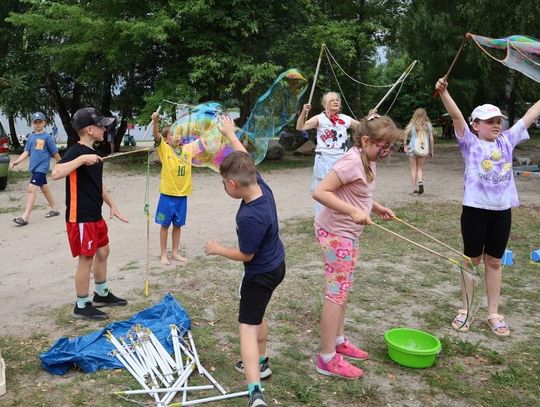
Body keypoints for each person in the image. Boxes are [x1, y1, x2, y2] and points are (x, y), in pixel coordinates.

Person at [435, 77, 540, 337]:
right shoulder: (469, 143)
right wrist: (445, 93)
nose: (496, 125)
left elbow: (529, 115)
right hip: (474, 211)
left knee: (494, 261)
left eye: (498, 121)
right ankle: (467, 310)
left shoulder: (506, 140)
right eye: (490, 121)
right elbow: (457, 117)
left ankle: (494, 313)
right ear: (476, 125)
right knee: (471, 261)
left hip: (501, 212)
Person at [204, 115, 285, 407]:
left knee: (247, 328)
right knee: (258, 311)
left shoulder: (250, 216)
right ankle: (262, 362)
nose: (225, 189)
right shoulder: (260, 184)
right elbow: (246, 158)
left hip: (260, 273)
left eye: (225, 185)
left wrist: (217, 248)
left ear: (234, 185)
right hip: (277, 266)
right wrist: (229, 133)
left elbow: (245, 255)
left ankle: (255, 392)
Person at [312, 113, 400, 379]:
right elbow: (321, 192)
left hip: (348, 234)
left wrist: (376, 207)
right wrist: (352, 211)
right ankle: (326, 358)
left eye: (389, 147)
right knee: (336, 293)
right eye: (382, 146)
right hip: (335, 233)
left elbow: (357, 192)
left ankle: (338, 342)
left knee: (344, 289)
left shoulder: (367, 160)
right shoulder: (351, 162)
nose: (385, 152)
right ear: (365, 140)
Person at [51, 107, 129, 320]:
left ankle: (101, 294)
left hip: (95, 215)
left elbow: (98, 185)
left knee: (103, 252)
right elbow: (56, 173)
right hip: (81, 217)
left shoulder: (95, 153)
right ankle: (82, 304)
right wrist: (81, 160)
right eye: (101, 125)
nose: (105, 128)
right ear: (89, 130)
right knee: (86, 259)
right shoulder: (76, 152)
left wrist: (112, 205)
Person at [151, 111, 204, 266]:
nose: (177, 137)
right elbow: (156, 135)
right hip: (167, 195)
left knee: (178, 225)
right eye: (173, 135)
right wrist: (155, 122)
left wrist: (205, 127)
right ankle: (163, 254)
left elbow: (202, 141)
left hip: (182, 196)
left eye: (179, 134)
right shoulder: (165, 150)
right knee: (164, 225)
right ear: (167, 139)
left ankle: (174, 252)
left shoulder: (188, 150)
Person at [296, 92, 360, 213]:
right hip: (324, 159)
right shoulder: (320, 118)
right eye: (332, 100)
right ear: (325, 104)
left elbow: (362, 127)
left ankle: (338, 216)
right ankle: (321, 220)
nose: (336, 102)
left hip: (341, 159)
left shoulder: (345, 119)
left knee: (341, 188)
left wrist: (370, 118)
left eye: (337, 100)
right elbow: (300, 127)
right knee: (323, 189)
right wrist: (304, 112)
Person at [11, 112, 62, 226]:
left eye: (40, 122)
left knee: (31, 188)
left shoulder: (47, 137)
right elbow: (26, 151)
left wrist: (62, 164)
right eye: (35, 122)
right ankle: (55, 209)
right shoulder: (31, 137)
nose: (38, 124)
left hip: (42, 167)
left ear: (44, 123)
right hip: (34, 168)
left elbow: (55, 153)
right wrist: (18, 161)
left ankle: (25, 217)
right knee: (44, 188)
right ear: (32, 124)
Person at [402, 108, 435, 194]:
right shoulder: (428, 125)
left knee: (413, 168)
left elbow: (405, 133)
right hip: (422, 149)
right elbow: (431, 139)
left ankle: (414, 188)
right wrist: (431, 150)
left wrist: (405, 145)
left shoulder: (412, 124)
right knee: (420, 168)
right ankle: (420, 181)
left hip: (412, 148)